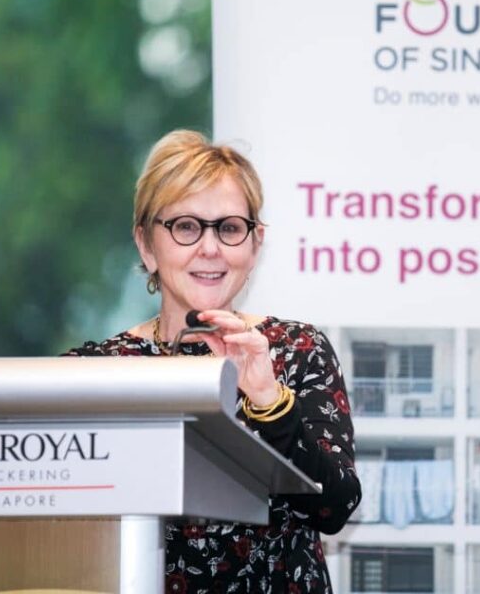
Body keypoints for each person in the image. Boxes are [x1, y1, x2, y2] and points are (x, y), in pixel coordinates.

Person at [63, 130, 361, 593]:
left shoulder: (298, 350)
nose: (210, 248)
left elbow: (335, 508)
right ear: (146, 244)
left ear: (254, 245)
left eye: (228, 228)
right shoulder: (94, 371)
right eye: (185, 226)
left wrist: (268, 399)